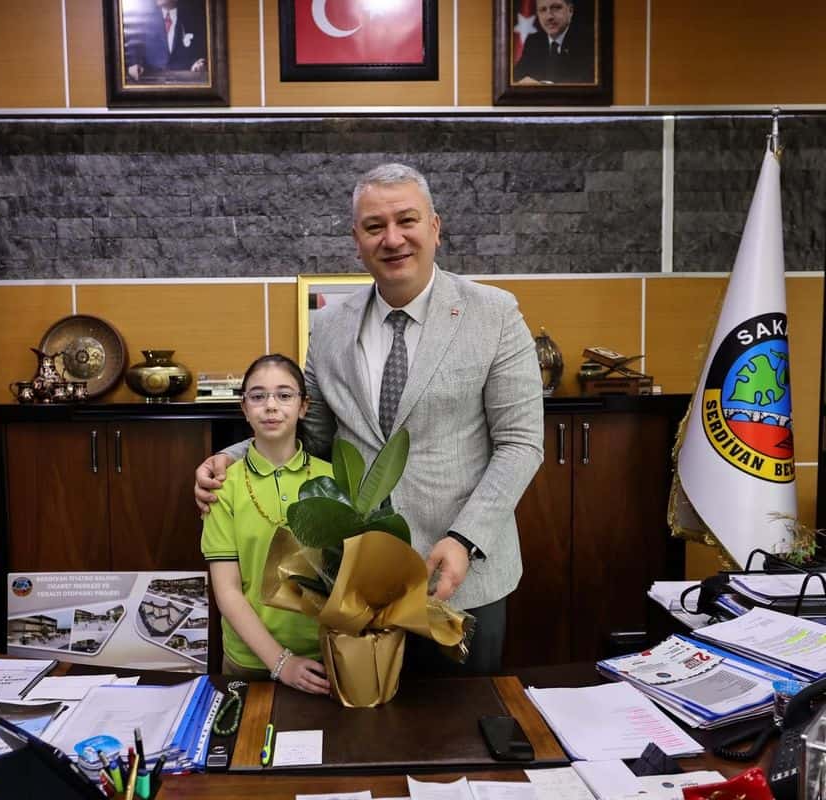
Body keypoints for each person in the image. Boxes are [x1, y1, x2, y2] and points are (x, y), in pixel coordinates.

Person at [196, 164, 544, 676]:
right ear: (357, 239)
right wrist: (230, 457)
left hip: (460, 576)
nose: (393, 238)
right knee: (369, 718)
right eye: (375, 226)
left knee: (462, 720)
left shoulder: (494, 314)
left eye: (407, 220)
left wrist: (465, 538)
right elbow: (311, 433)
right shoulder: (329, 326)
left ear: (435, 227)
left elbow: (521, 443)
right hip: (356, 581)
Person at [201, 354, 332, 694]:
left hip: (324, 657)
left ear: (304, 406)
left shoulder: (332, 479)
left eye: (284, 395)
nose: (271, 406)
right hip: (249, 661)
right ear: (244, 408)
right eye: (258, 396)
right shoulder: (222, 486)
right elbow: (227, 590)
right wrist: (280, 662)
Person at [513, 0, 595, 84]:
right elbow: (516, 76)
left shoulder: (589, 42)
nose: (549, 17)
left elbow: (583, 82)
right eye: (542, 10)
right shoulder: (534, 41)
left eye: (556, 8)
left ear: (570, 10)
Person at [124, 0, 208, 80]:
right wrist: (134, 64)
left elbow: (199, 51)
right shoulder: (145, 19)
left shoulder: (193, 19)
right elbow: (135, 47)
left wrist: (198, 63)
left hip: (184, 79)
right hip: (150, 79)